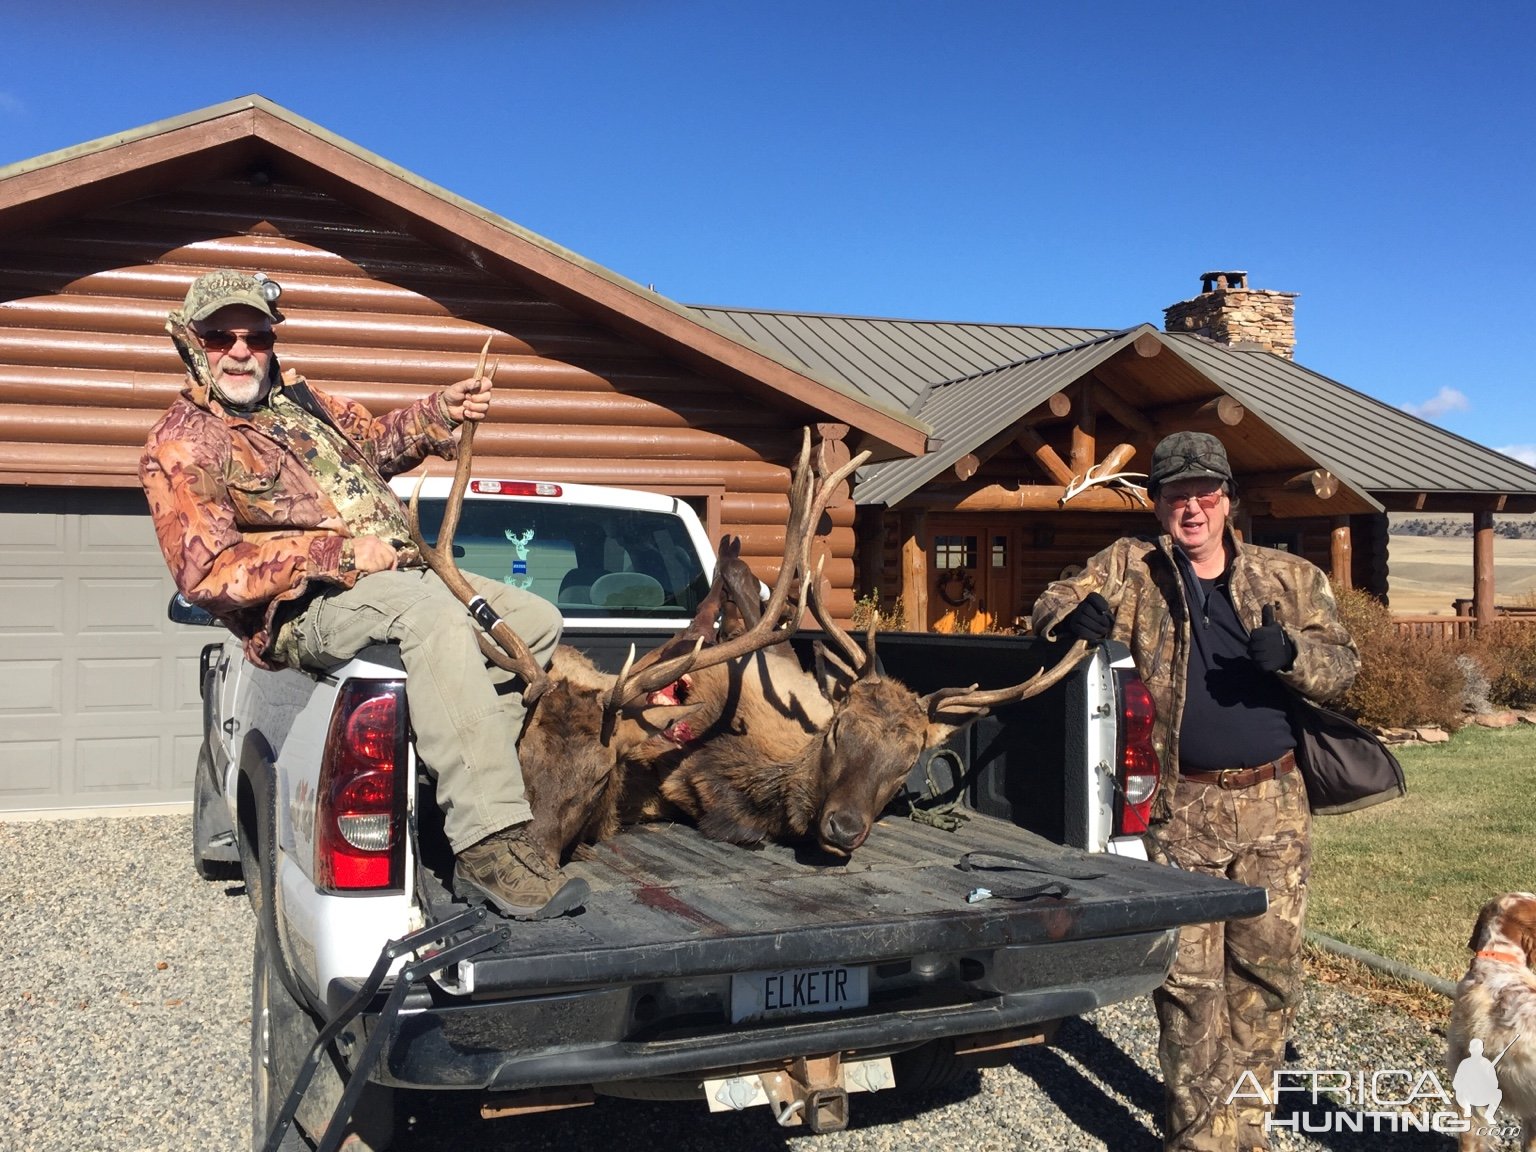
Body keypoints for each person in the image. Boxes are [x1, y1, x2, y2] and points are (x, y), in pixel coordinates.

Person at [140, 268, 586, 920]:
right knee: (433, 616)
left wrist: (442, 412)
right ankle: (491, 845)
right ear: (191, 342)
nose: (240, 351)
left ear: (271, 340)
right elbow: (208, 574)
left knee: (534, 621)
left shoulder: (301, 399)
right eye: (220, 337)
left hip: (396, 572)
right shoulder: (183, 442)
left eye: (255, 337)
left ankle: (453, 788)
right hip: (303, 607)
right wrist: (336, 553)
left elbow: (376, 442)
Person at [1032, 431, 1359, 1152]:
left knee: (1266, 983)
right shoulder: (1132, 568)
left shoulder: (1290, 579)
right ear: (1158, 504)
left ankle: (1245, 1133)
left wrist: (1294, 656)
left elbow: (1343, 665)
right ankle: (1196, 1138)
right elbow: (1049, 601)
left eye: (1206, 494)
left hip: (1277, 809)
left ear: (1229, 502)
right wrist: (1068, 619)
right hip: (1183, 812)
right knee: (1188, 988)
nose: (1193, 508)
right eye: (1178, 495)